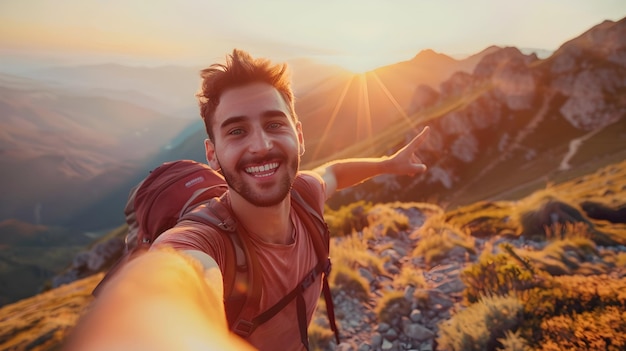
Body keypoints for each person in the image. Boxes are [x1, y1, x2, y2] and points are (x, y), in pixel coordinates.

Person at [65, 49, 429, 351]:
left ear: (299, 136)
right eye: (237, 131)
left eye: (275, 125)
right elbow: (170, 283)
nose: (261, 146)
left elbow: (333, 173)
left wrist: (387, 164)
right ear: (213, 154)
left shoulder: (305, 194)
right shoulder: (204, 242)